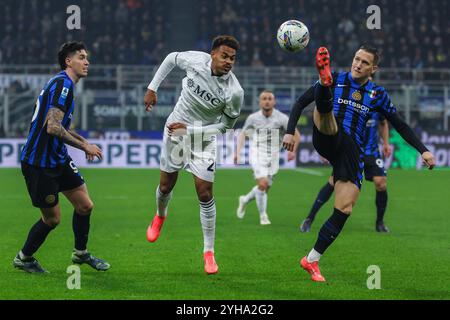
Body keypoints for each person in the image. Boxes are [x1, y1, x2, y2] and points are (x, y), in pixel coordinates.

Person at [283, 45, 435, 282]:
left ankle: (311, 260)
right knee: (328, 119)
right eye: (356, 59)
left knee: (344, 209)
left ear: (373, 68)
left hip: (351, 152)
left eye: (364, 62)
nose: (358, 64)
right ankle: (323, 85)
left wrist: (423, 151)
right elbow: (300, 103)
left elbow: (400, 125)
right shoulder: (339, 79)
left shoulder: (378, 94)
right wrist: (290, 132)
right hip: (326, 135)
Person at [143, 35, 244, 275]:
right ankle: (160, 216)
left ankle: (208, 252)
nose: (229, 61)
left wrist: (191, 130)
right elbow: (170, 59)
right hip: (175, 132)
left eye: (232, 58)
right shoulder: (195, 61)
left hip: (202, 139)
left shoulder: (235, 92)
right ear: (212, 54)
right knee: (166, 186)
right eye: (224, 56)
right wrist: (152, 88)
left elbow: (226, 127)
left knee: (205, 192)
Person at [14, 41, 110, 273]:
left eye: (87, 57)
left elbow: (60, 125)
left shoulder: (63, 84)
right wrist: (84, 147)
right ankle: (24, 258)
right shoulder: (63, 85)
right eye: (81, 57)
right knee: (52, 219)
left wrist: (84, 142)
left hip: (57, 157)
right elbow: (53, 128)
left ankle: (81, 254)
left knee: (85, 206)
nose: (86, 61)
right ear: (68, 61)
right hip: (39, 163)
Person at [300, 111, 392, 233]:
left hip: (371, 152)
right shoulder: (349, 103)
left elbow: (383, 122)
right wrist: (325, 148)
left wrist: (386, 143)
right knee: (333, 182)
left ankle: (379, 222)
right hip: (350, 151)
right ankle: (309, 218)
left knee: (381, 182)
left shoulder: (374, 100)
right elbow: (328, 124)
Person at [234, 90, 300, 225]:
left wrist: (292, 151)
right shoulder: (253, 118)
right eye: (264, 98)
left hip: (274, 156)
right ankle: (263, 216)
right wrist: (237, 152)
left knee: (264, 188)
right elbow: (242, 134)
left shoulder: (281, 118)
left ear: (274, 102)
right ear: (260, 102)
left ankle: (245, 199)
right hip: (257, 153)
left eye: (269, 98)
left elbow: (296, 134)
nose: (267, 101)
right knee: (263, 184)